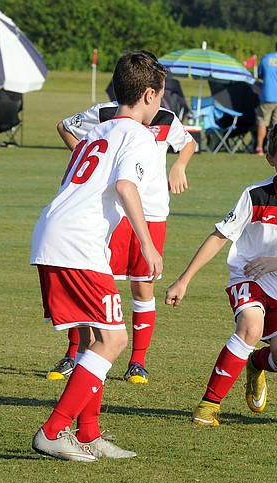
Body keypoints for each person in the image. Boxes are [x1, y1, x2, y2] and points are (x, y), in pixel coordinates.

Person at [30, 51, 167, 461]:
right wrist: (147, 244)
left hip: (54, 233)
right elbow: (127, 187)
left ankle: (87, 433)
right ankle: (53, 430)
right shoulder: (139, 136)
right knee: (114, 338)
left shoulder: (96, 132)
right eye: (160, 97)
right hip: (79, 244)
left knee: (93, 337)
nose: (160, 106)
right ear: (147, 94)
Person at [164, 121, 277, 427]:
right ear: (270, 158)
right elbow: (219, 236)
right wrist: (183, 279)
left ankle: (255, 363)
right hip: (248, 276)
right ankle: (208, 405)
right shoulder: (255, 195)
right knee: (251, 327)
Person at [45, 94, 197, 384]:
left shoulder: (165, 118)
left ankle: (137, 362)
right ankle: (74, 353)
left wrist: (179, 165)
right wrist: (85, 160)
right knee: (94, 285)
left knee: (143, 286)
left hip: (150, 213)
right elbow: (65, 126)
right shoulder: (105, 114)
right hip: (110, 211)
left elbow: (188, 142)